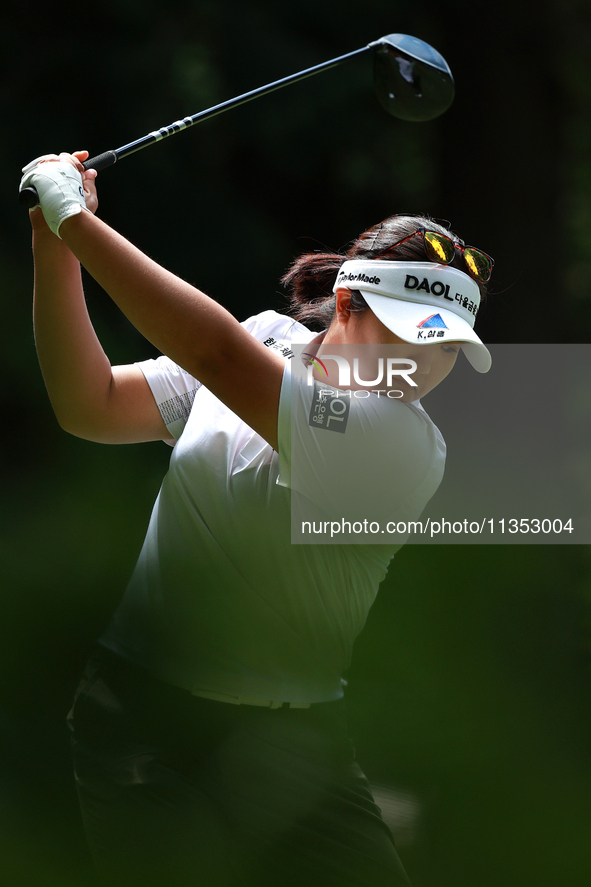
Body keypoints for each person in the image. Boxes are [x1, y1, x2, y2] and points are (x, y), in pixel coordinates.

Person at [21, 151, 493, 887]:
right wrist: (54, 250)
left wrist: (76, 221)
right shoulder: (268, 340)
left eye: (447, 345)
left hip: (292, 742)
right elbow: (92, 405)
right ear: (347, 305)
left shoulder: (404, 443)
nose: (427, 361)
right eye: (412, 332)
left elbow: (215, 354)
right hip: (140, 717)